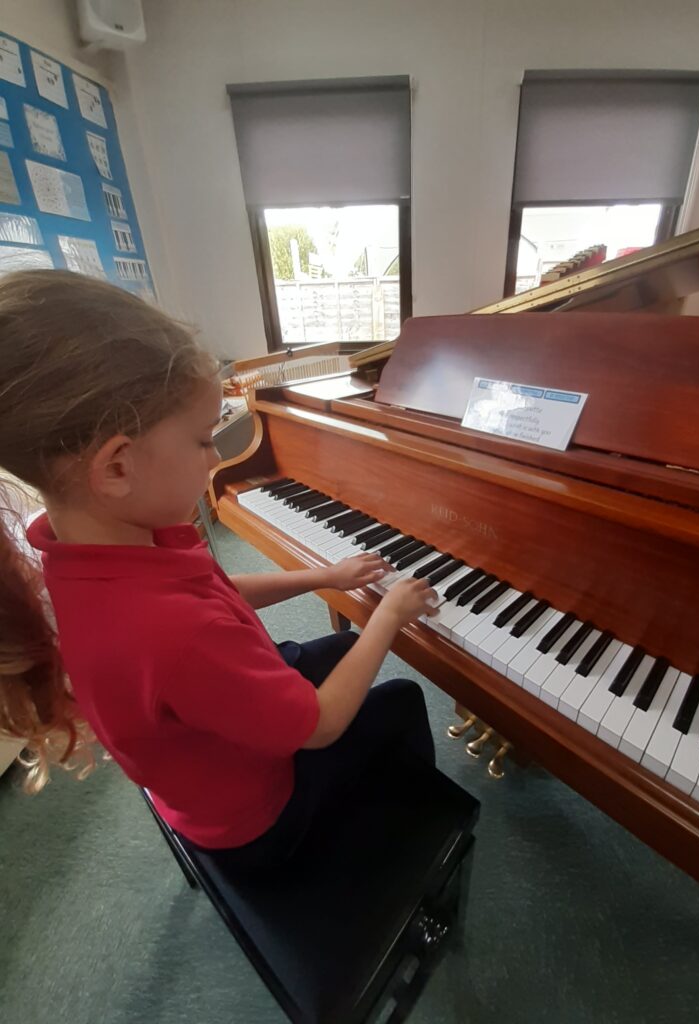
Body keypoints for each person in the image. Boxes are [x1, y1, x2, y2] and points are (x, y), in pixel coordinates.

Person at [0, 270, 437, 870]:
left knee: (337, 652)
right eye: (205, 440)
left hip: (199, 757)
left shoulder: (77, 552)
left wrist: (323, 577)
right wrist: (390, 613)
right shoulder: (173, 633)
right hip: (257, 819)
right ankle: (407, 845)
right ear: (117, 468)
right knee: (401, 700)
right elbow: (321, 724)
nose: (218, 456)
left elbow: (216, 590)